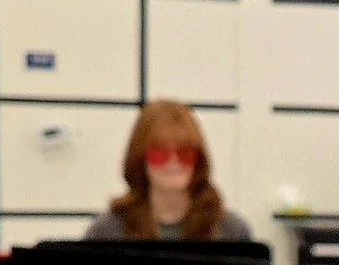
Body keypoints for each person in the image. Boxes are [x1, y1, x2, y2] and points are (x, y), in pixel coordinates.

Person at [85, 99, 252, 242]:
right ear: (140, 158)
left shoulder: (231, 231)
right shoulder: (107, 232)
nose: (173, 162)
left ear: (198, 159)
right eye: (160, 153)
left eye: (184, 153)